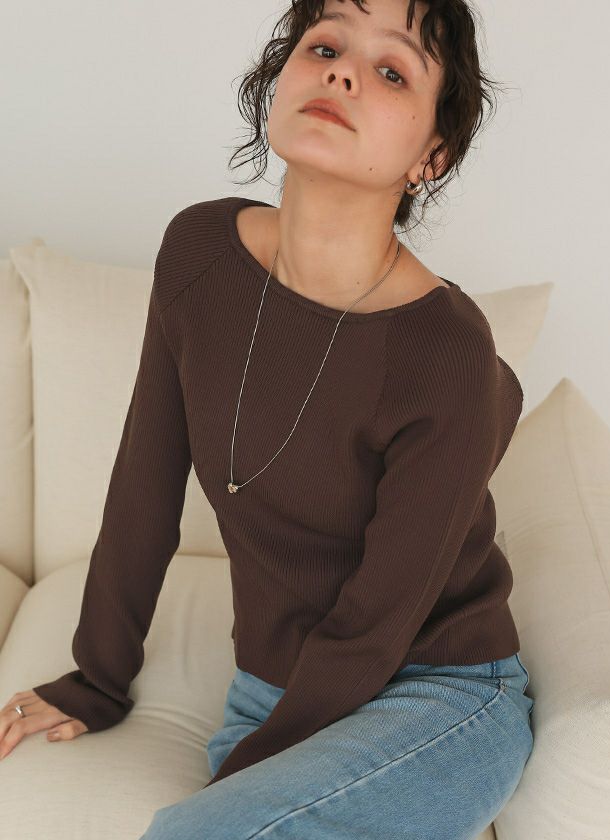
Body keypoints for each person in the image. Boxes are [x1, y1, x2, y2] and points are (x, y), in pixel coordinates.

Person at [1, 0, 535, 836]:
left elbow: (376, 626)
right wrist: (97, 679)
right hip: (271, 690)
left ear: (431, 155)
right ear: (278, 80)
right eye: (324, 46)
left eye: (391, 71)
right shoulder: (199, 253)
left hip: (439, 698)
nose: (343, 72)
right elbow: (145, 484)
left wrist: (241, 794)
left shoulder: (447, 353)